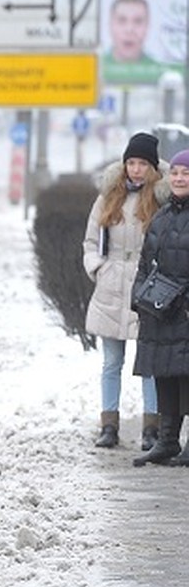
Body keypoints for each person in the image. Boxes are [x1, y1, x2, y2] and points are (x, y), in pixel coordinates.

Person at [82, 131, 167, 450]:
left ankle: (151, 427)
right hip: (111, 284)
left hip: (147, 285)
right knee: (111, 362)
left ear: (153, 167)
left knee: (149, 362)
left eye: (142, 163)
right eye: (131, 162)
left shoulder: (160, 199)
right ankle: (108, 425)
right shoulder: (107, 197)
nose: (135, 169)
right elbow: (91, 241)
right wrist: (98, 268)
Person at [131, 148, 189, 467]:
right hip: (159, 310)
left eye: (186, 173)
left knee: (187, 377)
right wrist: (139, 298)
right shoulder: (163, 215)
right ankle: (167, 440)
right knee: (164, 374)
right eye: (176, 173)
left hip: (184, 310)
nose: (179, 178)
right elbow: (145, 261)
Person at [102, 0, 168, 87]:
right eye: (122, 20)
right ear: (110, 25)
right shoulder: (95, 69)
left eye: (138, 21)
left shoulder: (162, 73)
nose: (130, 29)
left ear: (147, 27)